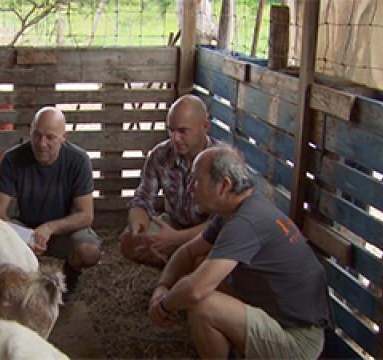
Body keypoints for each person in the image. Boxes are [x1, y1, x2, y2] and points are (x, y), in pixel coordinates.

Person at [149, 145, 330, 359]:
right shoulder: (236, 211)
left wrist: (163, 306)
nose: (190, 188)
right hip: (278, 315)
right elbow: (187, 252)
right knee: (200, 263)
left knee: (203, 306)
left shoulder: (245, 222)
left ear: (224, 186)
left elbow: (195, 290)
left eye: (197, 181)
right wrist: (162, 287)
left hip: (297, 340)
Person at [0, 107, 102, 303]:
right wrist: (23, 235)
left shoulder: (79, 160)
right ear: (30, 131)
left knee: (89, 252)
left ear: (63, 137)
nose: (41, 144)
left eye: (50, 138)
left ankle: (70, 279)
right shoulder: (12, 159)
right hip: (25, 228)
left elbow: (86, 215)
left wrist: (50, 227)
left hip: (63, 230)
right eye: (37, 135)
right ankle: (22, 283)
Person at [119, 94, 219, 268]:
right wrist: (138, 228)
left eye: (182, 131)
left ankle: (177, 269)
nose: (175, 138)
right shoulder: (160, 155)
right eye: (171, 130)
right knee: (128, 243)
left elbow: (221, 223)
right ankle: (172, 266)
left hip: (206, 232)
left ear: (205, 126)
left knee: (202, 262)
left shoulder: (220, 162)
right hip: (173, 223)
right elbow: (142, 199)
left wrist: (176, 239)